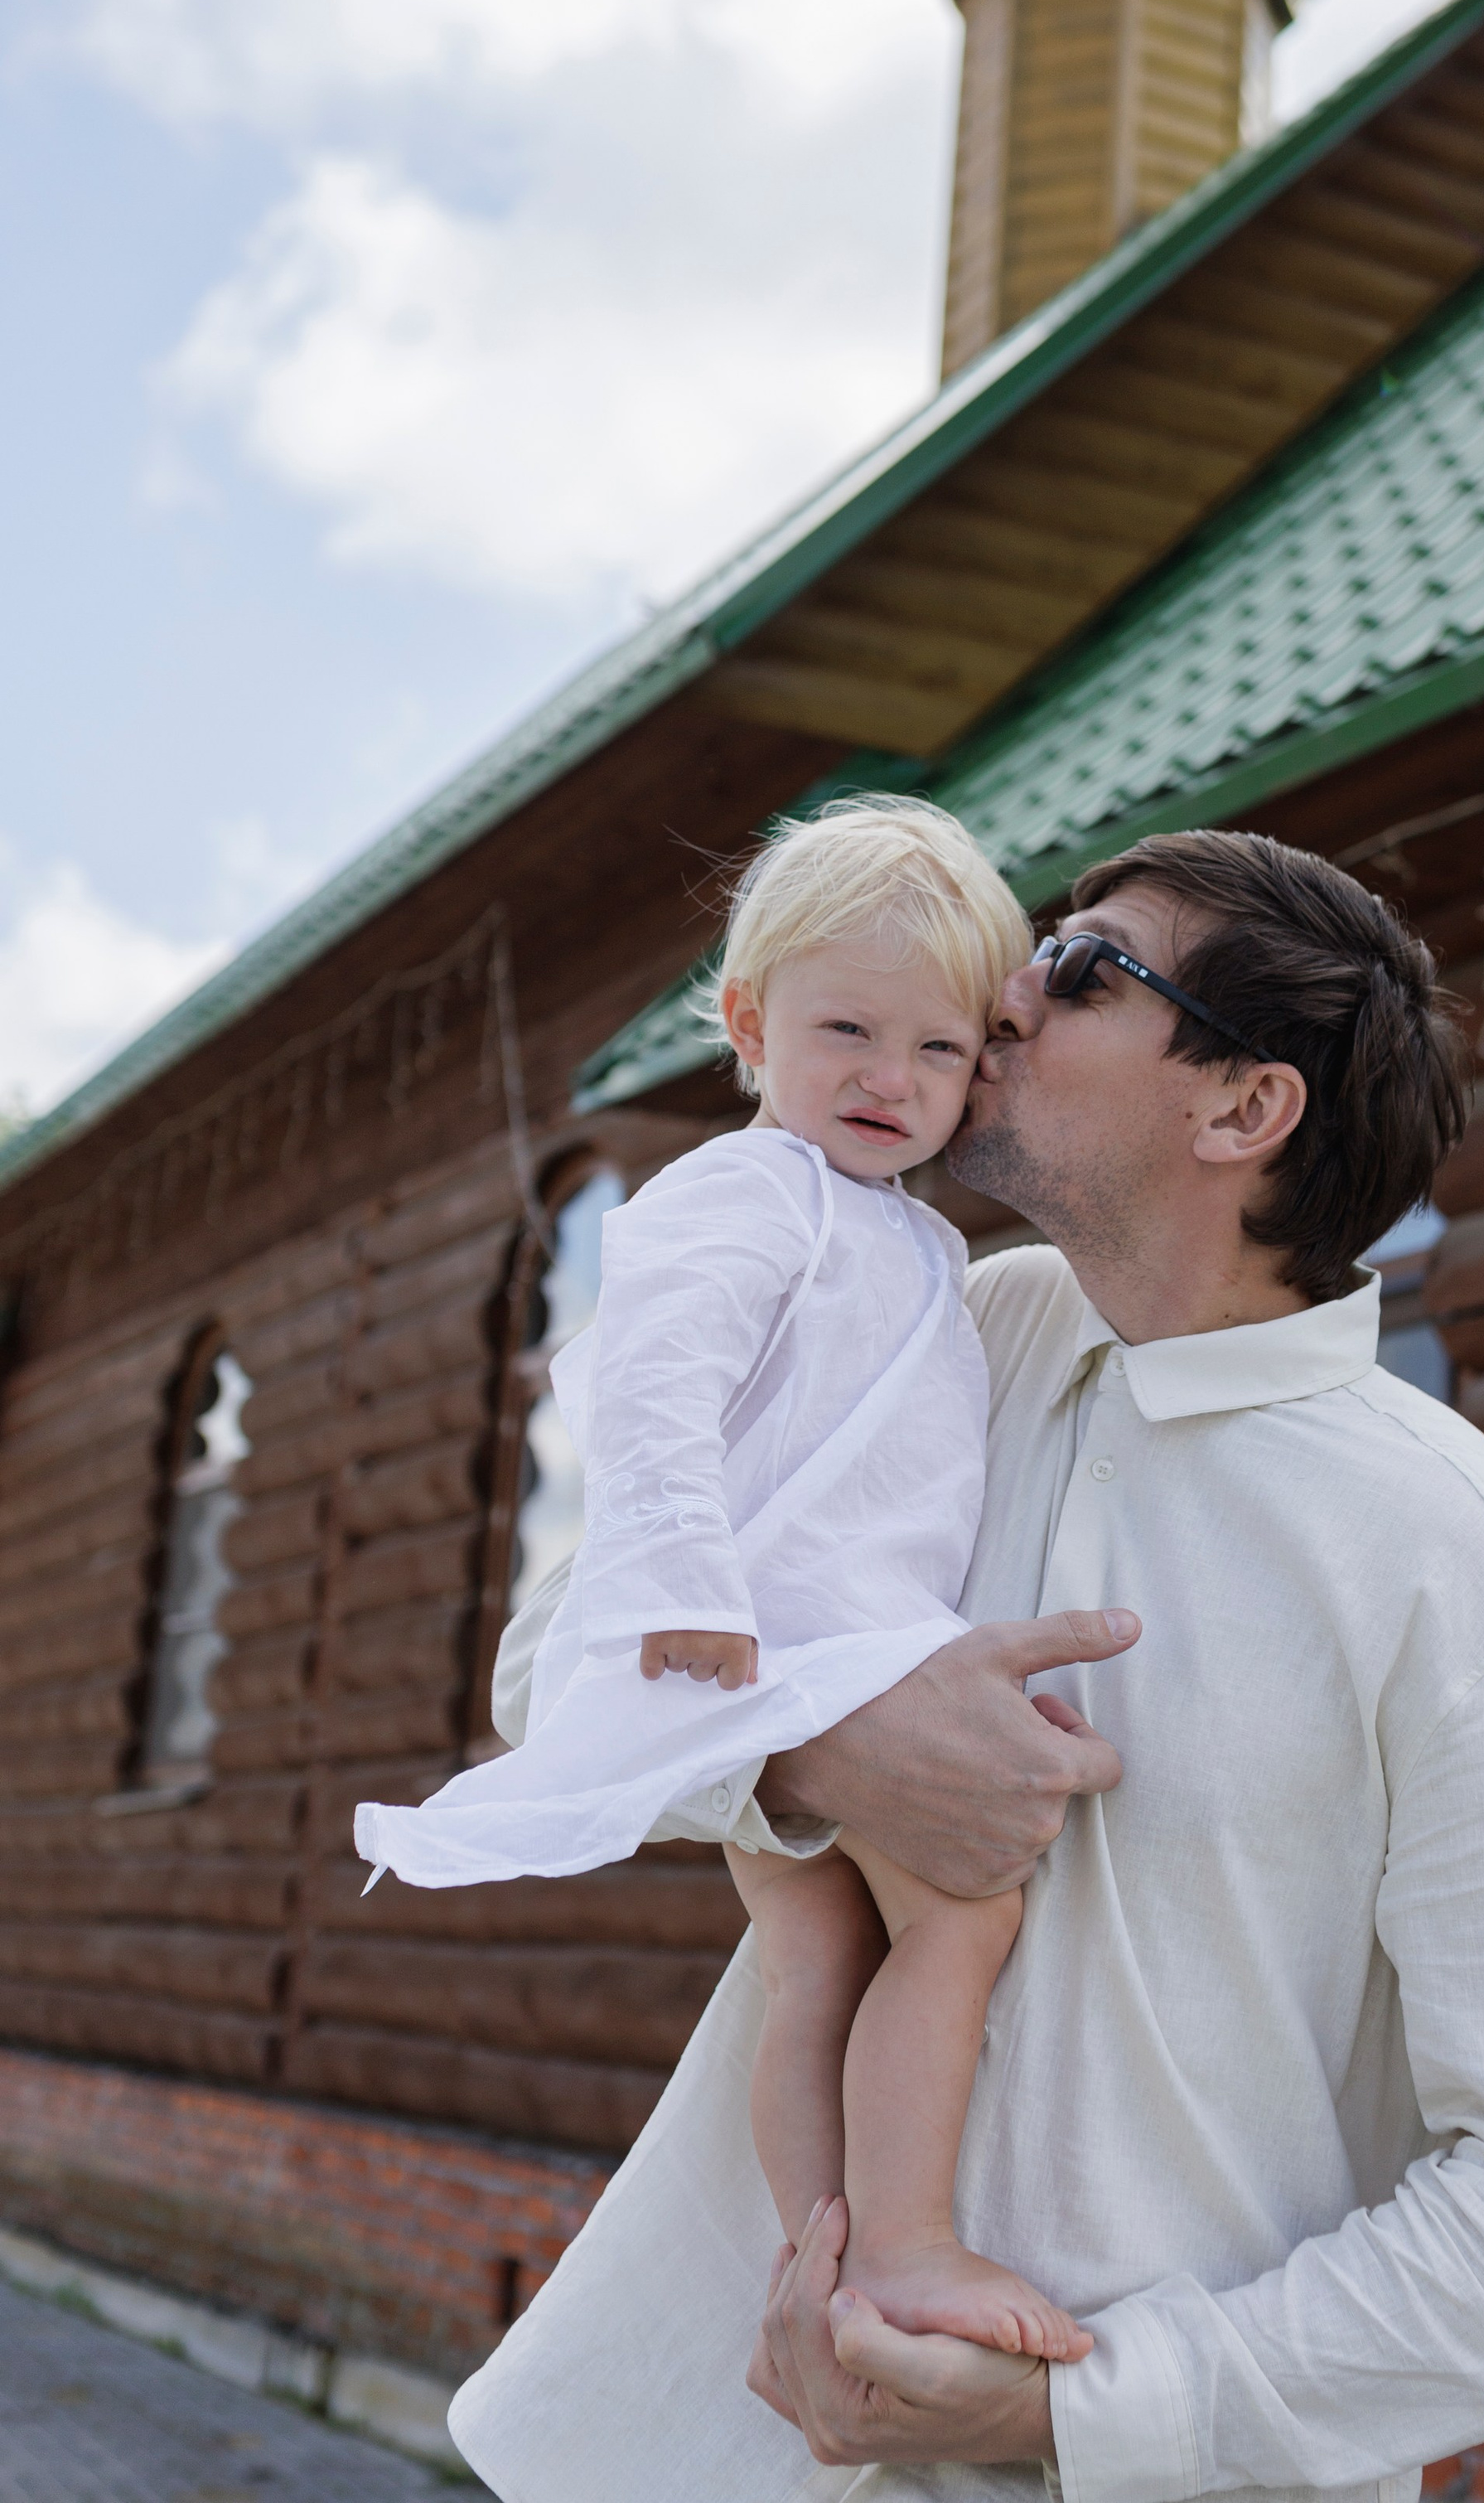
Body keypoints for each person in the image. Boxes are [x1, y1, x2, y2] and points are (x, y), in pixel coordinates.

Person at [452, 826, 1484, 2503]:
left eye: (1087, 969)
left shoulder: (1459, 1554)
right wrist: (819, 1757)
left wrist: (1073, 2412)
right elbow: (551, 1669)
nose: (1004, 995)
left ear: (1241, 1110)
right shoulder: (940, 1327)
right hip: (729, 2456)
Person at [355, 795, 1090, 2362]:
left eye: (944, 1052)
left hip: (840, 1639)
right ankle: (905, 2244)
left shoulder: (913, 1239)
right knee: (959, 1922)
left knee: (816, 1952)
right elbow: (650, 1389)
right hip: (790, 1641)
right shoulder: (738, 1193)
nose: (894, 1081)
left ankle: (817, 2261)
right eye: (850, 1031)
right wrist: (693, 1583)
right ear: (752, 1023)